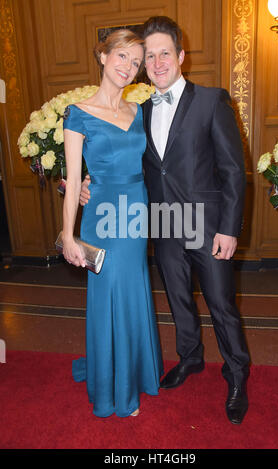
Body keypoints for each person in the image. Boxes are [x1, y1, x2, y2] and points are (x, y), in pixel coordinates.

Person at [80, 17, 250, 425]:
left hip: (208, 227)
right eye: (149, 56)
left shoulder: (212, 100)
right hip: (163, 224)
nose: (156, 62)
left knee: (222, 306)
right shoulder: (137, 110)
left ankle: (237, 373)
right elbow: (124, 160)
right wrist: (89, 182)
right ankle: (190, 359)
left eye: (163, 53)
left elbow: (232, 170)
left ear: (181, 56)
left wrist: (229, 228)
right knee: (178, 302)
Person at [62, 29, 164, 418]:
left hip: (136, 211)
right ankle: (118, 389)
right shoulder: (77, 113)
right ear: (103, 56)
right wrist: (68, 234)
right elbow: (73, 181)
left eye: (136, 62)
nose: (129, 67)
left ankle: (132, 373)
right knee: (113, 294)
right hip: (101, 215)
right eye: (122, 56)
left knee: (134, 289)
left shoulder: (138, 112)